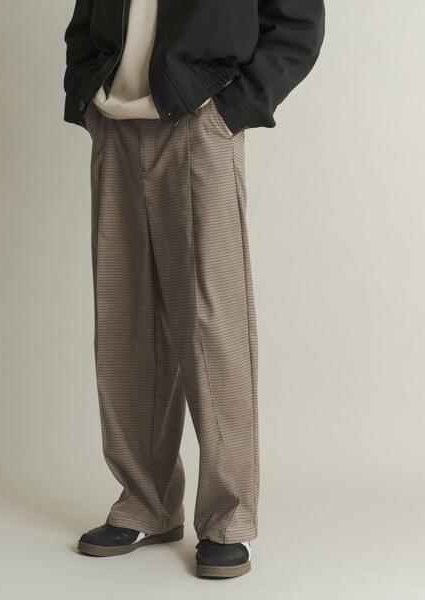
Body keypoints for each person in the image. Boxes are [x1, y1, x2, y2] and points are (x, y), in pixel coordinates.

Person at [64, 0, 324, 579]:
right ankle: (146, 503)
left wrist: (233, 108)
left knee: (213, 323)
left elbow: (299, 23)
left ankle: (228, 519)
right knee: (125, 320)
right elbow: (86, 19)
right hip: (114, 125)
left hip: (201, 121)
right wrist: (85, 90)